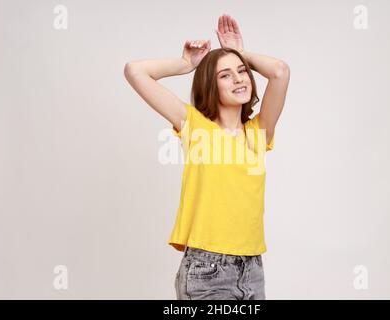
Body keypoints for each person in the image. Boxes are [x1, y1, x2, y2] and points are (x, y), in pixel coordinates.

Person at [124, 14, 290, 300]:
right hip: (207, 270)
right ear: (210, 86)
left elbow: (280, 71)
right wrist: (186, 64)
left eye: (242, 71)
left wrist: (239, 52)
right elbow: (134, 71)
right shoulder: (194, 126)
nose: (239, 79)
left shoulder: (258, 133)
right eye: (225, 75)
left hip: (252, 269)